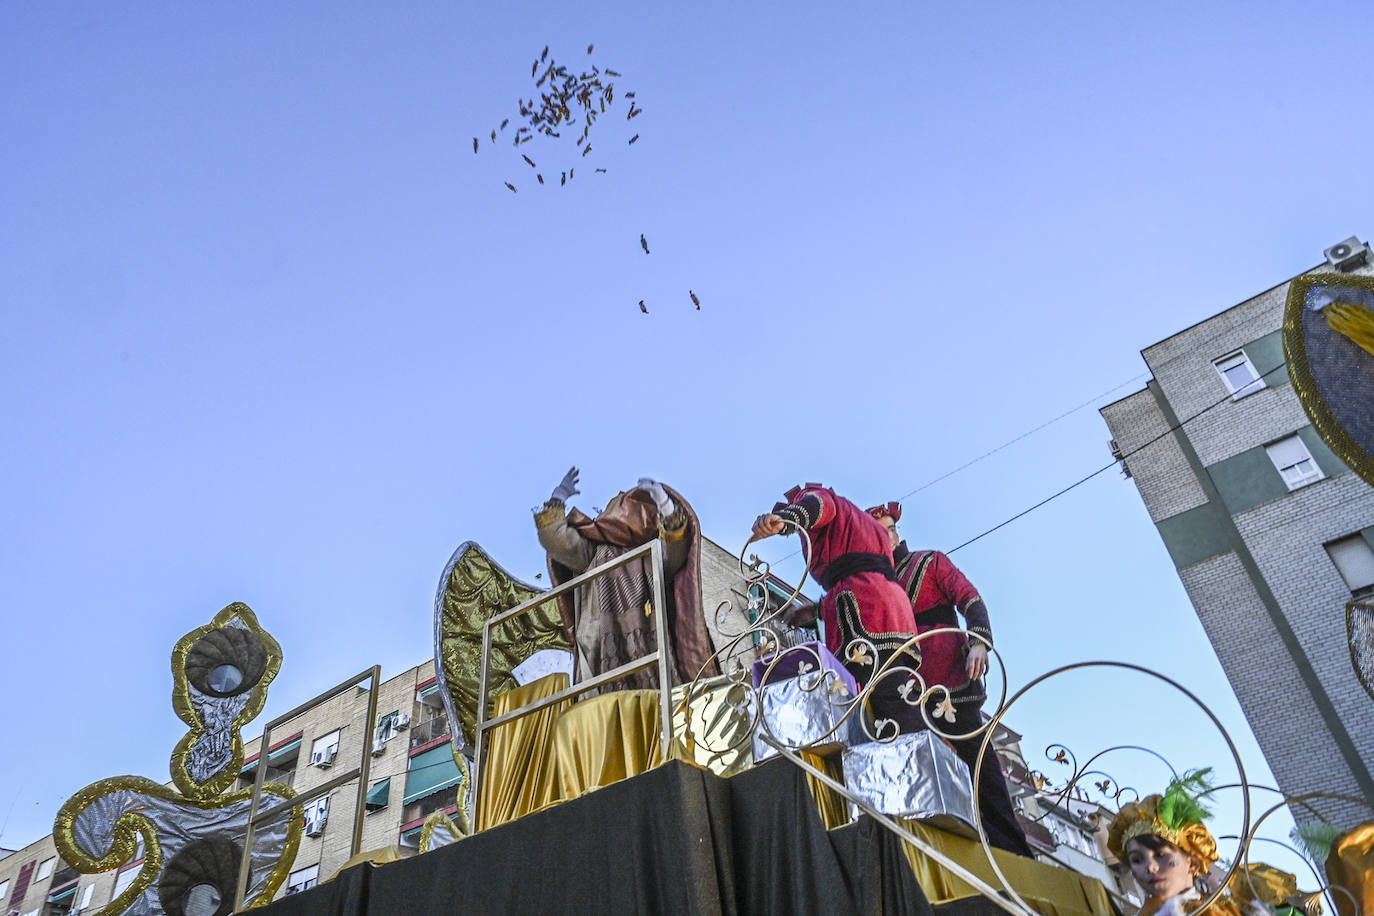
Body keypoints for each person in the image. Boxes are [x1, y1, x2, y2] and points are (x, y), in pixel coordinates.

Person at [868, 501, 1032, 857]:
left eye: (890, 530)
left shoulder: (930, 562)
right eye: (878, 533)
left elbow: (970, 600)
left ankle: (1013, 852)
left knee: (981, 770)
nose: (887, 537)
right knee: (929, 776)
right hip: (906, 695)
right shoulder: (876, 584)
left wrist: (979, 642)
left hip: (951, 686)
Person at [535, 467, 718, 689]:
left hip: (651, 653)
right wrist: (558, 497)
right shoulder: (593, 552)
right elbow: (557, 540)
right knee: (603, 705)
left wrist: (666, 506)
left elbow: (675, 550)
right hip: (601, 654)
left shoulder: (651, 553)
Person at [750, 483, 919, 720]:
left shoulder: (817, 497)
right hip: (888, 606)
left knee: (870, 693)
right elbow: (856, 568)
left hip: (865, 606)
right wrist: (817, 610)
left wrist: (786, 520)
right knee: (891, 689)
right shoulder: (858, 523)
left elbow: (819, 505)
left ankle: (904, 739)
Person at [1107, 769, 1243, 916]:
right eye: (1136, 860)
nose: (1150, 867)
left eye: (1160, 855)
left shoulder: (1228, 911)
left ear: (1193, 863)